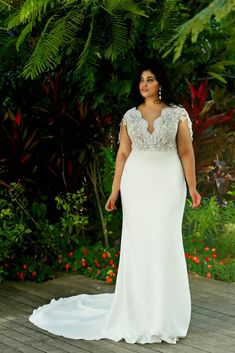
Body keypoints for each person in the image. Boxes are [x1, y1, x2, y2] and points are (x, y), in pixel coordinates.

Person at [29, 60, 201, 345]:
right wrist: (114, 191)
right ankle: (139, 311)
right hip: (137, 185)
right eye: (142, 79)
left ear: (161, 83)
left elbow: (186, 151)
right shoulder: (130, 116)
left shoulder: (177, 114)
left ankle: (165, 315)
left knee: (165, 242)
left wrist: (192, 187)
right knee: (138, 244)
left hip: (169, 184)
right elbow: (122, 154)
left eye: (150, 79)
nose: (144, 84)